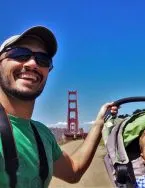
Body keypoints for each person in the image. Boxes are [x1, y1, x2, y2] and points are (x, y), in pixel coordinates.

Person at [0, 26, 117, 188]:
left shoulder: (42, 134)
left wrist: (98, 123)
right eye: (19, 54)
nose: (32, 63)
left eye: (42, 59)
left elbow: (73, 171)